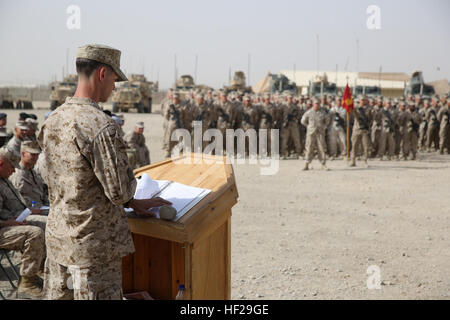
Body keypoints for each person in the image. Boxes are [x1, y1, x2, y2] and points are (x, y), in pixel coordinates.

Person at [37, 44, 171, 300]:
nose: (114, 86)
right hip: (93, 252)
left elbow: (49, 175)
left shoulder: (52, 119)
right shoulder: (100, 125)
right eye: (114, 79)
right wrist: (133, 193)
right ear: (102, 73)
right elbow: (119, 190)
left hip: (58, 244)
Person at [0, 147, 46, 298]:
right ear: (1, 163)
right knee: (34, 233)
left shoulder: (4, 180)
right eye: (12, 167)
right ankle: (27, 282)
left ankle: (39, 268)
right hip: (2, 229)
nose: (14, 171)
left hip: (8, 223)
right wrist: (8, 223)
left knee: (45, 225)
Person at [9, 140, 49, 208]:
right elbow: (18, 200)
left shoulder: (33, 172)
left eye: (37, 155)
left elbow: (42, 193)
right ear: (23, 153)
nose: (35, 157)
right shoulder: (17, 173)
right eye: (32, 154)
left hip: (40, 207)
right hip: (28, 211)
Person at [301, 99, 330, 171]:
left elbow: (327, 120)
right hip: (311, 133)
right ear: (313, 104)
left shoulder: (322, 112)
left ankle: (323, 164)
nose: (317, 105)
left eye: (318, 104)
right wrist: (308, 126)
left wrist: (324, 127)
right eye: (315, 104)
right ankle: (307, 164)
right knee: (309, 148)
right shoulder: (309, 112)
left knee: (321, 148)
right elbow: (303, 121)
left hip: (320, 133)